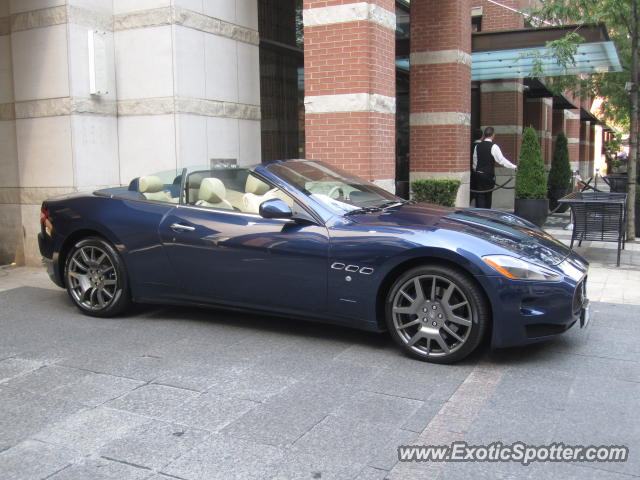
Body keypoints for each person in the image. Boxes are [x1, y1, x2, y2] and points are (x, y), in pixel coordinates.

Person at [472, 126, 517, 209]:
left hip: (478, 174)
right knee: (488, 196)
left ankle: (479, 214)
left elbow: (475, 161)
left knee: (480, 196)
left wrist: (476, 170)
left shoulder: (477, 146)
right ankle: (486, 214)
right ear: (493, 135)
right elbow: (501, 160)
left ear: (484, 135)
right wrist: (514, 167)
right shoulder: (494, 146)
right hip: (488, 175)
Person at [470, 129, 484, 205]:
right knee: (479, 193)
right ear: (482, 136)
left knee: (471, 191)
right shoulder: (482, 146)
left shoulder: (469, 145)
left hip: (470, 171)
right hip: (479, 171)